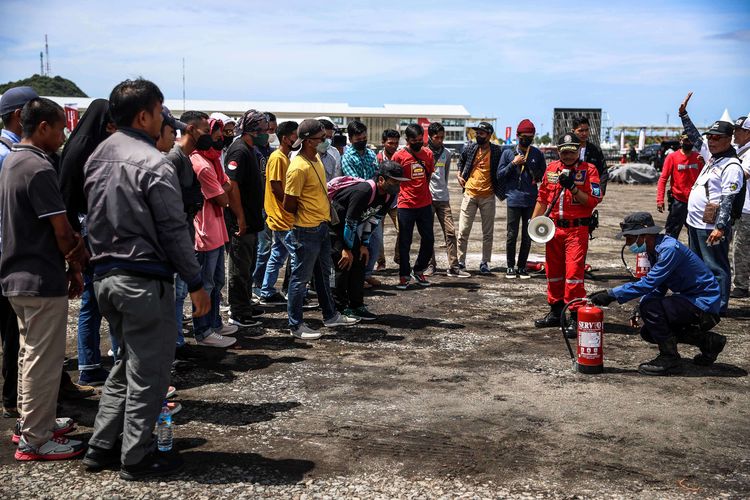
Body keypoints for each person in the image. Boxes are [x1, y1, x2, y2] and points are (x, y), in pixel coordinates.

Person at [81, 78, 210, 479]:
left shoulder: (97, 156)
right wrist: (196, 281)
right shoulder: (153, 162)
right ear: (143, 115)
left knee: (124, 366)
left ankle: (101, 445)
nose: (162, 118)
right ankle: (136, 456)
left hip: (104, 277)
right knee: (149, 374)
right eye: (159, 110)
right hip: (142, 279)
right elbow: (173, 229)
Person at [0, 97, 88, 460]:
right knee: (42, 358)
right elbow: (62, 230)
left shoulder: (12, 161)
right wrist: (77, 262)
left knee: (28, 354)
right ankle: (36, 439)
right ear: (43, 128)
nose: (64, 134)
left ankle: (33, 423)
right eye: (60, 127)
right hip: (39, 275)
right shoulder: (37, 167)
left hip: (17, 274)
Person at [589, 212, 725, 376]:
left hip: (704, 303)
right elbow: (658, 287)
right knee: (649, 330)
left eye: (630, 238)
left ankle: (670, 359)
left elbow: (648, 283)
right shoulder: (655, 250)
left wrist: (611, 294)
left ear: (645, 236)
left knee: (651, 309)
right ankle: (709, 342)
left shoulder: (669, 250)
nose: (628, 244)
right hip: (692, 300)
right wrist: (639, 308)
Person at [58, 99, 118, 386]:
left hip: (88, 230)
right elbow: (69, 199)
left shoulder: (83, 145)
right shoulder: (84, 149)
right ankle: (90, 365)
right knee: (92, 301)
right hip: (86, 233)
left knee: (94, 301)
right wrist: (75, 247)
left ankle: (90, 363)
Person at [282, 119, 359, 339]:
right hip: (305, 230)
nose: (325, 141)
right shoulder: (298, 167)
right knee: (300, 279)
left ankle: (330, 315)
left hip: (321, 226)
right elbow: (289, 203)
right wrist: (305, 215)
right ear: (307, 141)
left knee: (324, 275)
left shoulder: (314, 158)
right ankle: (295, 325)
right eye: (320, 138)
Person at [679, 92, 745, 315]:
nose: (711, 141)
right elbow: (696, 138)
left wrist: (720, 227)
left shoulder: (731, 166)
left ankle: (718, 306)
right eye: (711, 137)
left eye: (717, 138)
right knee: (698, 265)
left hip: (711, 226)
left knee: (716, 267)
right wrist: (684, 116)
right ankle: (702, 300)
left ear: (729, 140)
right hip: (696, 223)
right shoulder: (713, 157)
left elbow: (728, 199)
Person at [533, 133, 601, 337]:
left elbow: (593, 200)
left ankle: (574, 315)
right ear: (558, 151)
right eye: (565, 152)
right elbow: (543, 198)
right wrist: (534, 224)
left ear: (578, 150)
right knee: (553, 272)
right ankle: (555, 311)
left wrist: (572, 187)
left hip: (576, 230)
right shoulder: (551, 168)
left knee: (573, 274)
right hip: (553, 229)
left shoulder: (589, 170)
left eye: (572, 151)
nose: (569, 155)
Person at [0, 86, 39, 418]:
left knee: (14, 331)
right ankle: (14, 398)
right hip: (9, 253)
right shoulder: (8, 154)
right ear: (19, 115)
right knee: (15, 332)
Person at [330, 162, 408, 319]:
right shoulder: (364, 191)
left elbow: (373, 220)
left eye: (400, 182)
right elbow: (350, 221)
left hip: (349, 228)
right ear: (381, 179)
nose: (398, 186)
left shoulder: (389, 195)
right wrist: (346, 248)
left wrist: (364, 245)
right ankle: (339, 307)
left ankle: (356, 305)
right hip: (333, 226)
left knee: (359, 262)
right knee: (344, 264)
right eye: (394, 182)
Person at [190, 117, 238, 347]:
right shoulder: (201, 164)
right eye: (218, 134)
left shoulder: (214, 160)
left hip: (217, 229)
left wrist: (223, 188)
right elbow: (221, 197)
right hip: (205, 232)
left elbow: (226, 186)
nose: (221, 137)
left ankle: (215, 323)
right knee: (206, 284)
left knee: (217, 281)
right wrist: (224, 189)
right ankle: (203, 330)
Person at [166, 110, 210, 347]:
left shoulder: (186, 157)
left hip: (186, 232)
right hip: (177, 234)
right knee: (175, 293)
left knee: (180, 293)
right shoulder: (174, 159)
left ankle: (178, 341)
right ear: (191, 129)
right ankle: (175, 342)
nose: (208, 135)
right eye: (205, 129)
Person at [224, 110, 268, 328]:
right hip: (241, 221)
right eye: (263, 130)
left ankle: (246, 304)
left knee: (248, 266)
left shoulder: (251, 149)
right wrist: (240, 218)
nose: (267, 134)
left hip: (252, 218)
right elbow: (232, 186)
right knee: (239, 269)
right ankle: (238, 312)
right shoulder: (239, 151)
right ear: (252, 130)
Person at [497, 119, 547, 279]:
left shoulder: (537, 154)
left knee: (528, 235)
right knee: (511, 234)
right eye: (525, 136)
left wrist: (535, 174)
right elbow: (499, 175)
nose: (528, 139)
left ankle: (522, 266)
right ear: (518, 135)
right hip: (513, 199)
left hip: (531, 200)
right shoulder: (507, 153)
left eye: (531, 136)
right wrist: (513, 163)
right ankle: (510, 266)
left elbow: (544, 175)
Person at [258, 121, 298, 305]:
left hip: (283, 215)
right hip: (281, 215)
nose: (297, 138)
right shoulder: (277, 158)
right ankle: (297, 294)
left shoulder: (285, 157)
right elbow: (275, 186)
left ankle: (266, 290)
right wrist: (289, 205)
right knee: (297, 255)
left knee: (278, 255)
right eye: (294, 135)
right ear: (285, 138)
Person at [392, 123, 436, 289]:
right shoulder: (399, 156)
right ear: (407, 140)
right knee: (405, 241)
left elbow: (428, 176)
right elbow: (394, 178)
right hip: (405, 205)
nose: (419, 143)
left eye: (420, 140)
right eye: (414, 140)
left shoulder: (428, 154)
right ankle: (404, 275)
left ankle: (418, 270)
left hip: (424, 204)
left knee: (429, 239)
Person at [456, 121, 503, 274]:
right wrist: (458, 174)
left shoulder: (497, 151)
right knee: (463, 231)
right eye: (477, 133)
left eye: (481, 133)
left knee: (487, 233)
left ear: (489, 135)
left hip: (488, 196)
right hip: (469, 194)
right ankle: (461, 262)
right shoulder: (470, 148)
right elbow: (461, 160)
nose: (478, 135)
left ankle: (485, 262)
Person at [341, 120, 382, 287]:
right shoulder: (347, 157)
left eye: (364, 137)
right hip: (357, 207)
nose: (362, 140)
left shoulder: (372, 155)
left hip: (372, 206)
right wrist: (369, 188)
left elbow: (377, 174)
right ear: (351, 139)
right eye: (358, 138)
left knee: (375, 241)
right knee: (357, 243)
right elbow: (356, 182)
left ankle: (367, 273)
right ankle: (356, 277)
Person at [425, 122, 467, 277]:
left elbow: (445, 173)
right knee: (428, 233)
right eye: (437, 137)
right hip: (427, 199)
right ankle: (430, 265)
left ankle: (454, 266)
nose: (440, 140)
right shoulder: (423, 152)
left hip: (443, 198)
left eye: (442, 137)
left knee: (450, 232)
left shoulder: (447, 153)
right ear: (430, 136)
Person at [656, 131, 703, 239]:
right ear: (681, 141)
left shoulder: (698, 158)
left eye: (691, 140)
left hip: (695, 202)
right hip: (678, 201)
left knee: (696, 234)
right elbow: (663, 179)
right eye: (686, 140)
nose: (689, 142)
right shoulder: (672, 157)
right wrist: (660, 200)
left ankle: (695, 254)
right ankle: (669, 254)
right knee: (671, 234)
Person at [730, 115, 750, 298]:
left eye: (738, 130)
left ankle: (742, 285)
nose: (734, 133)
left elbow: (743, 174)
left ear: (748, 132)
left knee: (741, 247)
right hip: (741, 208)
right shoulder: (739, 150)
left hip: (747, 209)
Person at [376, 128, 401, 270]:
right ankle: (381, 262)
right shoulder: (377, 158)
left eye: (396, 143)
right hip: (380, 201)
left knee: (402, 230)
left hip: (396, 202)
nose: (393, 146)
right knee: (378, 234)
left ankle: (398, 257)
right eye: (390, 143)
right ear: (383, 142)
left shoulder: (399, 157)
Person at [572, 116, 608, 195]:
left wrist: (601, 190)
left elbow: (603, 171)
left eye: (586, 130)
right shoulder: (568, 150)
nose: (584, 133)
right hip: (570, 190)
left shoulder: (595, 150)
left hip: (589, 191)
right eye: (581, 131)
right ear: (573, 131)